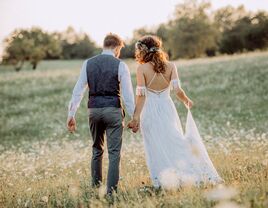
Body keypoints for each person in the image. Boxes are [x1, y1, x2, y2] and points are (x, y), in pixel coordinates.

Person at [128, 35, 222, 188]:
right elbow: (177, 90)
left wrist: (136, 117)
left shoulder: (142, 69)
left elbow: (141, 95)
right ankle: (184, 174)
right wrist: (186, 100)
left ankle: (162, 181)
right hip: (167, 108)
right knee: (174, 140)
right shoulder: (171, 66)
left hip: (149, 111)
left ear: (142, 50)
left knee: (155, 146)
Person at [67, 33, 135, 194]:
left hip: (94, 111)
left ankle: (96, 188)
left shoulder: (88, 63)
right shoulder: (120, 65)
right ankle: (111, 193)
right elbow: (127, 95)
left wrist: (71, 114)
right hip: (113, 110)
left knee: (97, 150)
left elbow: (78, 91)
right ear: (117, 47)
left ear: (104, 45)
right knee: (114, 153)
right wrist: (134, 117)